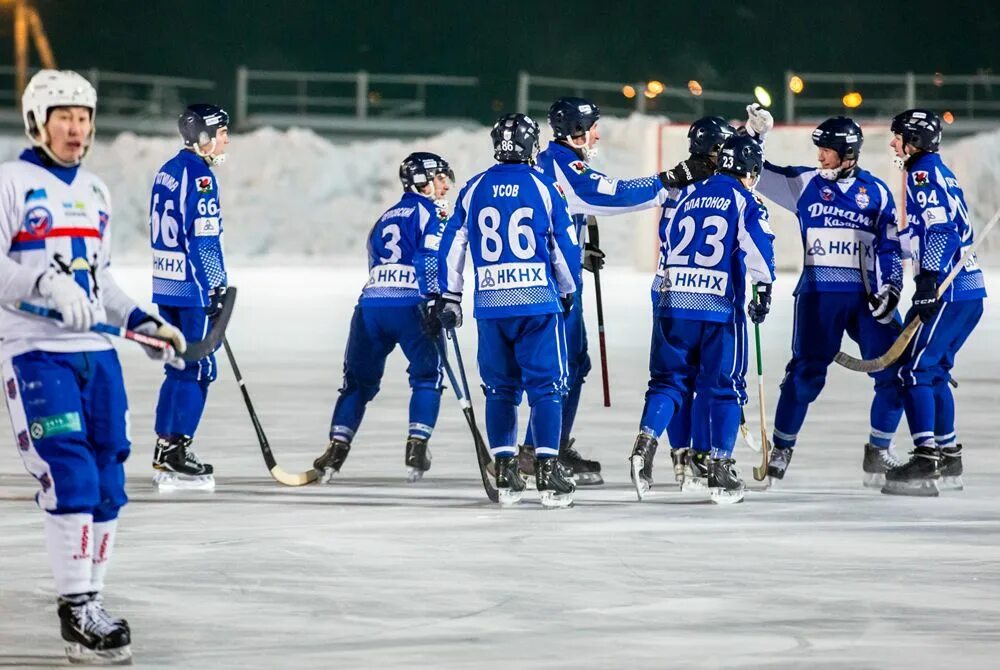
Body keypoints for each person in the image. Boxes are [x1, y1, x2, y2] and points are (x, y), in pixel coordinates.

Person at [0, 69, 185, 664]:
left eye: (83, 117)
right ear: (38, 122)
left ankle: (92, 600)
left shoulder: (95, 192)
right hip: (35, 351)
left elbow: (100, 280)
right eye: (64, 117)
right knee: (71, 473)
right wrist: (47, 285)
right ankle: (76, 608)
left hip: (96, 355)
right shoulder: (10, 183)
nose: (77, 128)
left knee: (108, 478)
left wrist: (142, 321)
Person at [744, 105, 907, 487]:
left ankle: (879, 450)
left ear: (848, 154)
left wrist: (893, 287)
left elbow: (889, 246)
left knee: (895, 371)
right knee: (804, 374)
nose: (819, 156)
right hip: (818, 295)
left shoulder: (877, 192)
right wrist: (753, 135)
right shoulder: (803, 182)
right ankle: (782, 447)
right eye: (818, 149)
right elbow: (753, 173)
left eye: (827, 150)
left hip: (867, 299)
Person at [515, 97, 671, 486]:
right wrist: (669, 180)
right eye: (593, 126)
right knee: (560, 370)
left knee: (574, 366)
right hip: (555, 287)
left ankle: (551, 444)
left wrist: (578, 250)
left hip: (561, 277)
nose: (597, 133)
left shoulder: (556, 162)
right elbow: (611, 194)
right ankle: (537, 451)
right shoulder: (564, 164)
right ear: (575, 131)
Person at [427, 112, 581, 506]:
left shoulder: (475, 187)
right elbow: (561, 247)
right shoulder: (544, 187)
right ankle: (547, 470)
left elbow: (454, 245)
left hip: (492, 305)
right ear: (531, 146)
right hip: (536, 304)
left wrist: (449, 296)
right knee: (548, 387)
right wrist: (568, 289)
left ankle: (506, 471)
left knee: (500, 389)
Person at [629, 134, 776, 504]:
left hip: (673, 300)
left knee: (667, 382)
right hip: (716, 306)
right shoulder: (745, 199)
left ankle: (644, 445)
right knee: (722, 385)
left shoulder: (688, 195)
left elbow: (667, 247)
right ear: (751, 171)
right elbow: (760, 250)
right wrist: (764, 289)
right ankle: (721, 469)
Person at [312, 152, 452, 483]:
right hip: (410, 306)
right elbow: (430, 258)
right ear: (424, 181)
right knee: (427, 376)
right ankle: (417, 446)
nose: (446, 185)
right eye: (441, 178)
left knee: (356, 383)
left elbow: (376, 262)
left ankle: (336, 448)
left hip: (371, 307)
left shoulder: (384, 217)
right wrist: (436, 301)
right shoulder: (433, 212)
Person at [882, 109, 986, 496]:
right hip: (968, 290)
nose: (894, 144)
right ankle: (949, 455)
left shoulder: (922, 171)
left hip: (950, 289)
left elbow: (940, 227)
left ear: (915, 141)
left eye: (899, 137)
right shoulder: (938, 169)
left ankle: (926, 461)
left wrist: (927, 279)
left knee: (916, 373)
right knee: (935, 370)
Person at [634, 116, 736, 495]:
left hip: (667, 285)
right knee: (711, 378)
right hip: (709, 291)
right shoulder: (721, 189)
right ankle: (703, 457)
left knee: (671, 379)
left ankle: (678, 455)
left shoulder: (679, 183)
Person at [148, 103, 231, 491]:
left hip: (165, 284)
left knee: (177, 366)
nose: (226, 139)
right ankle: (177, 450)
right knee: (198, 368)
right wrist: (215, 287)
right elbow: (203, 239)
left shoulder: (166, 171)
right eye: (221, 132)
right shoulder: (200, 176)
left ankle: (165, 447)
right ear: (203, 138)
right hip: (191, 288)